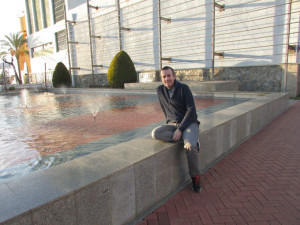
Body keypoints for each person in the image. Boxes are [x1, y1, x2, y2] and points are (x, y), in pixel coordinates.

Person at [151, 66, 201, 193]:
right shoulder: (160, 90)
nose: (167, 78)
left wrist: (180, 129)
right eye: (164, 76)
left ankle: (195, 176)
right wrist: (171, 125)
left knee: (189, 146)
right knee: (155, 133)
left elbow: (191, 110)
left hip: (189, 123)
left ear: (174, 76)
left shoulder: (184, 88)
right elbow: (165, 109)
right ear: (161, 78)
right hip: (173, 124)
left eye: (169, 75)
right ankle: (190, 139)